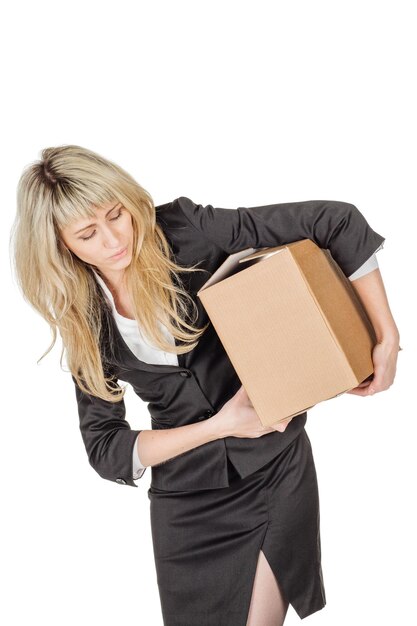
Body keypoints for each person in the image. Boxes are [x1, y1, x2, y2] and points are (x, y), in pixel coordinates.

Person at [10, 145, 400, 626]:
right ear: (60, 245)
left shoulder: (185, 229)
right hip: (184, 503)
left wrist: (385, 334)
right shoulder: (83, 318)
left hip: (273, 470)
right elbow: (107, 449)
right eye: (88, 234)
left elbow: (336, 221)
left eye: (117, 215)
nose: (114, 240)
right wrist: (220, 426)